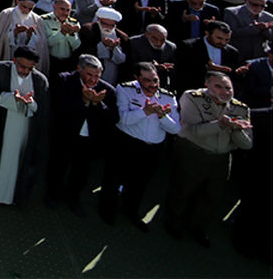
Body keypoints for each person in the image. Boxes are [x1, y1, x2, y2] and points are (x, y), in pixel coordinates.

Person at [163, 72, 253, 245]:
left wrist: (236, 129)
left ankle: (197, 227)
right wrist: (221, 124)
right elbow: (195, 131)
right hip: (193, 151)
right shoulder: (192, 97)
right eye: (218, 86)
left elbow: (247, 144)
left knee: (213, 196)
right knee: (183, 189)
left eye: (228, 87)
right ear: (206, 85)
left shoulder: (241, 108)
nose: (224, 91)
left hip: (221, 158)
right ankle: (173, 223)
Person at [98, 62, 180, 229]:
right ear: (136, 78)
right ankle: (107, 209)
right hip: (127, 143)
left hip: (152, 149)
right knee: (114, 178)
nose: (152, 85)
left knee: (140, 182)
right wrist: (145, 112)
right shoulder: (125, 90)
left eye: (155, 80)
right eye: (147, 80)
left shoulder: (168, 97)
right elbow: (123, 120)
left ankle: (130, 210)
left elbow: (175, 129)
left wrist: (163, 116)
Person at [0, 46, 50, 207]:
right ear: (14, 60)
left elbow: (42, 109)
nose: (25, 71)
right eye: (22, 67)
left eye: (30, 68)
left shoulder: (40, 80)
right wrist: (12, 99)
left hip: (24, 130)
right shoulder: (0, 69)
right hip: (0, 125)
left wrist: (31, 104)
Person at [44, 55, 118, 217]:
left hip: (89, 140)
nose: (93, 80)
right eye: (89, 75)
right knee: (58, 166)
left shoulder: (108, 91)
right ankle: (52, 194)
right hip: (65, 134)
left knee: (81, 171)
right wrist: (84, 101)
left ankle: (73, 198)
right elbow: (59, 108)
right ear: (79, 69)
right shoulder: (64, 80)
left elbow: (112, 118)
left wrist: (97, 104)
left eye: (97, 76)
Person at [0, 0, 49, 73]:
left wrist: (31, 36)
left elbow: (41, 44)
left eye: (30, 9)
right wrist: (14, 33)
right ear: (17, 2)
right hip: (9, 55)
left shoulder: (37, 19)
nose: (26, 11)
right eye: (24, 7)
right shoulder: (6, 14)